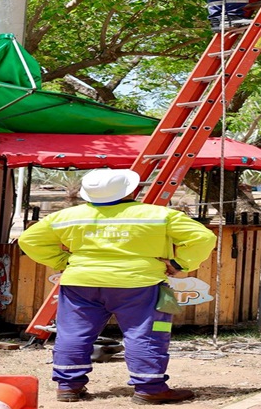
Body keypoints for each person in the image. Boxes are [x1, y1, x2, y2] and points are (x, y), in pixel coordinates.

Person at [18, 168, 217, 405]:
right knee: (143, 334)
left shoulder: (68, 216)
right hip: (139, 284)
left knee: (74, 333)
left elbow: (29, 240)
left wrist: (62, 262)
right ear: (131, 190)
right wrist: (178, 263)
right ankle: (150, 389)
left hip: (81, 284)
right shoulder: (158, 215)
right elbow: (203, 237)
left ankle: (68, 387)